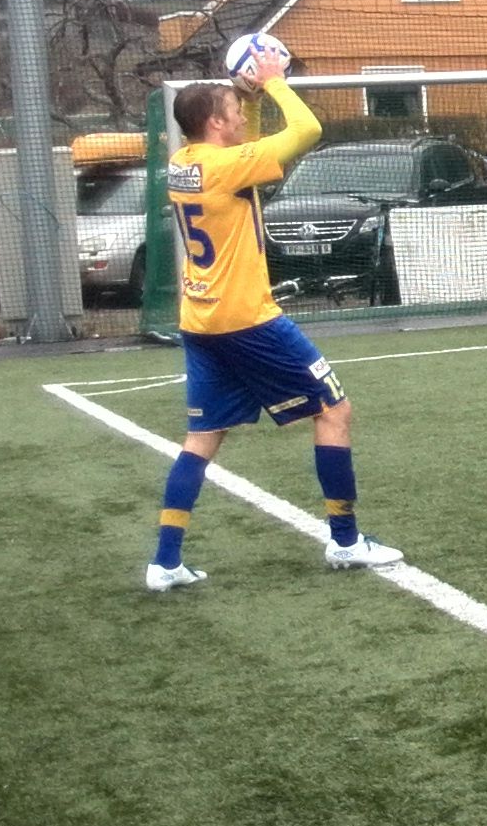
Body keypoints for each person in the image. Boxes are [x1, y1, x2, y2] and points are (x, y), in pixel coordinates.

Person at [145, 50, 401, 590]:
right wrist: (276, 82)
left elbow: (248, 149)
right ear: (214, 123)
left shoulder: (184, 163)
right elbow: (308, 129)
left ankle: (164, 560)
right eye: (233, 111)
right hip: (248, 320)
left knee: (202, 436)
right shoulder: (226, 166)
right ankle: (346, 540)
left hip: (201, 322)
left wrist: (252, 98)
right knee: (334, 411)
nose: (240, 116)